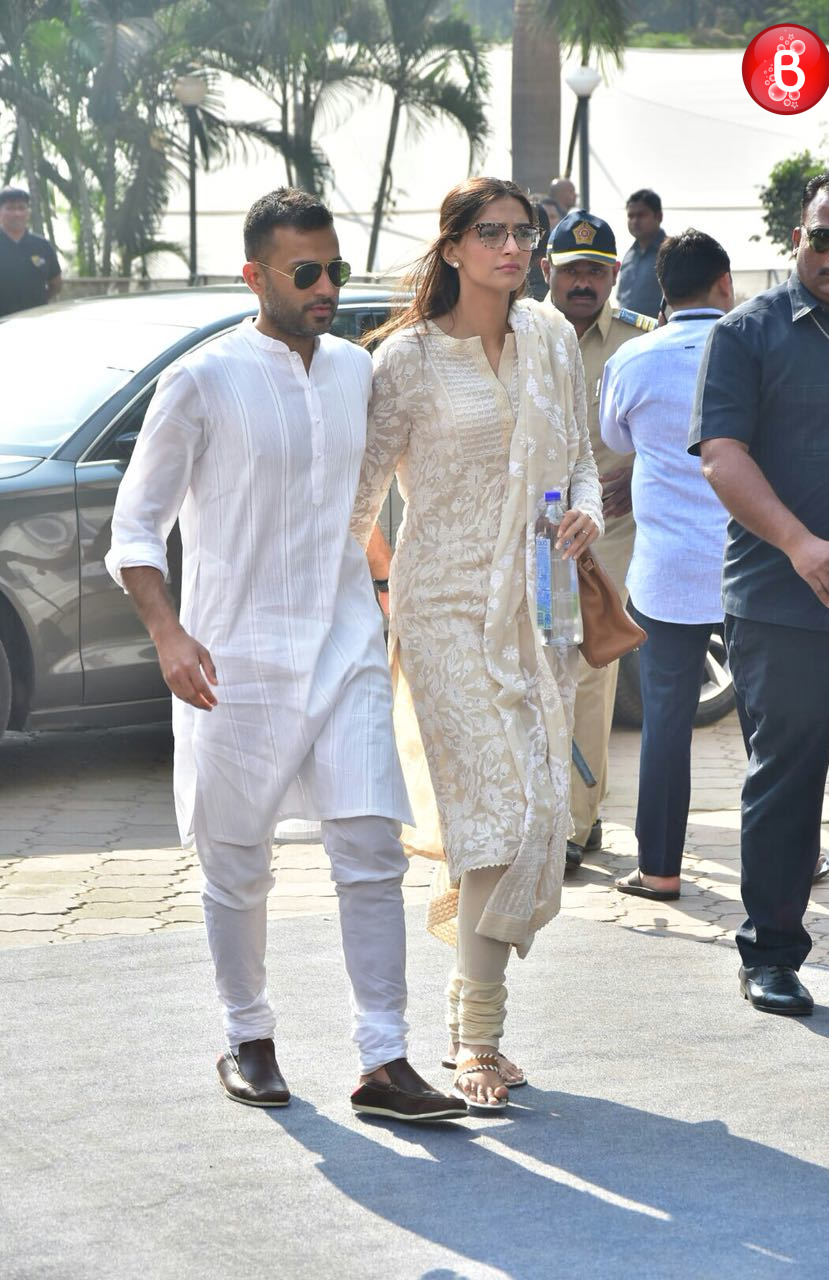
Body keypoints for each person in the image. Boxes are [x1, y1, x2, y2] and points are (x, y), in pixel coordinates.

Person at [106, 187, 466, 1121]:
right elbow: (135, 530)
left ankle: (384, 1059)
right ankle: (248, 1036)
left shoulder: (358, 370)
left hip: (344, 643)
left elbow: (372, 499)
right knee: (235, 858)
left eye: (336, 270)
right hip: (236, 656)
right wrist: (168, 633)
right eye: (305, 272)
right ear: (254, 275)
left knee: (370, 847)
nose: (326, 287)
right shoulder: (202, 380)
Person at [352, 177, 603, 1110]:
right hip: (444, 608)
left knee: (540, 812)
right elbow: (361, 501)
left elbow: (577, 457)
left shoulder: (547, 338)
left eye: (522, 235)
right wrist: (371, 598)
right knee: (496, 814)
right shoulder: (405, 362)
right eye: (491, 234)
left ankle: (473, 1014)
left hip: (533, 611)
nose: (513, 250)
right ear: (452, 247)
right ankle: (477, 1044)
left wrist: (579, 515)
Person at [689, 168, 829, 1017]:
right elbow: (722, 454)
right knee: (787, 783)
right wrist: (799, 542)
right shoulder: (750, 332)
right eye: (822, 236)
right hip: (789, 604)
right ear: (797, 238)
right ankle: (772, 953)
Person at [599, 229, 734, 899]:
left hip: (666, 574)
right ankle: (797, 859)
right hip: (753, 567)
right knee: (773, 729)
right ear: (725, 283)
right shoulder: (754, 346)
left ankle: (659, 869)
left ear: (661, 290)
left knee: (666, 726)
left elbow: (613, 436)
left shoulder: (634, 358)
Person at [541, 209, 655, 867]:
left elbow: (680, 430)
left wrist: (637, 476)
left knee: (587, 675)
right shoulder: (517, 332)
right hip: (525, 531)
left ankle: (574, 827)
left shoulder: (641, 341)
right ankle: (557, 811)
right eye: (571, 269)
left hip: (606, 532)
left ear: (614, 273)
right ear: (546, 270)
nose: (583, 282)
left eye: (596, 270)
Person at [0, 186, 62, 317]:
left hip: (35, 323)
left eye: (21, 208)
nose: (17, 213)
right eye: (10, 208)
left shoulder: (42, 246)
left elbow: (56, 284)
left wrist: (37, 303)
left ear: (28, 212)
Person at [617, 189, 665, 319]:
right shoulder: (629, 255)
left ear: (658, 216)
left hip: (658, 332)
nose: (634, 221)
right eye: (631, 216)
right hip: (626, 331)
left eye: (641, 215)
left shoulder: (670, 252)